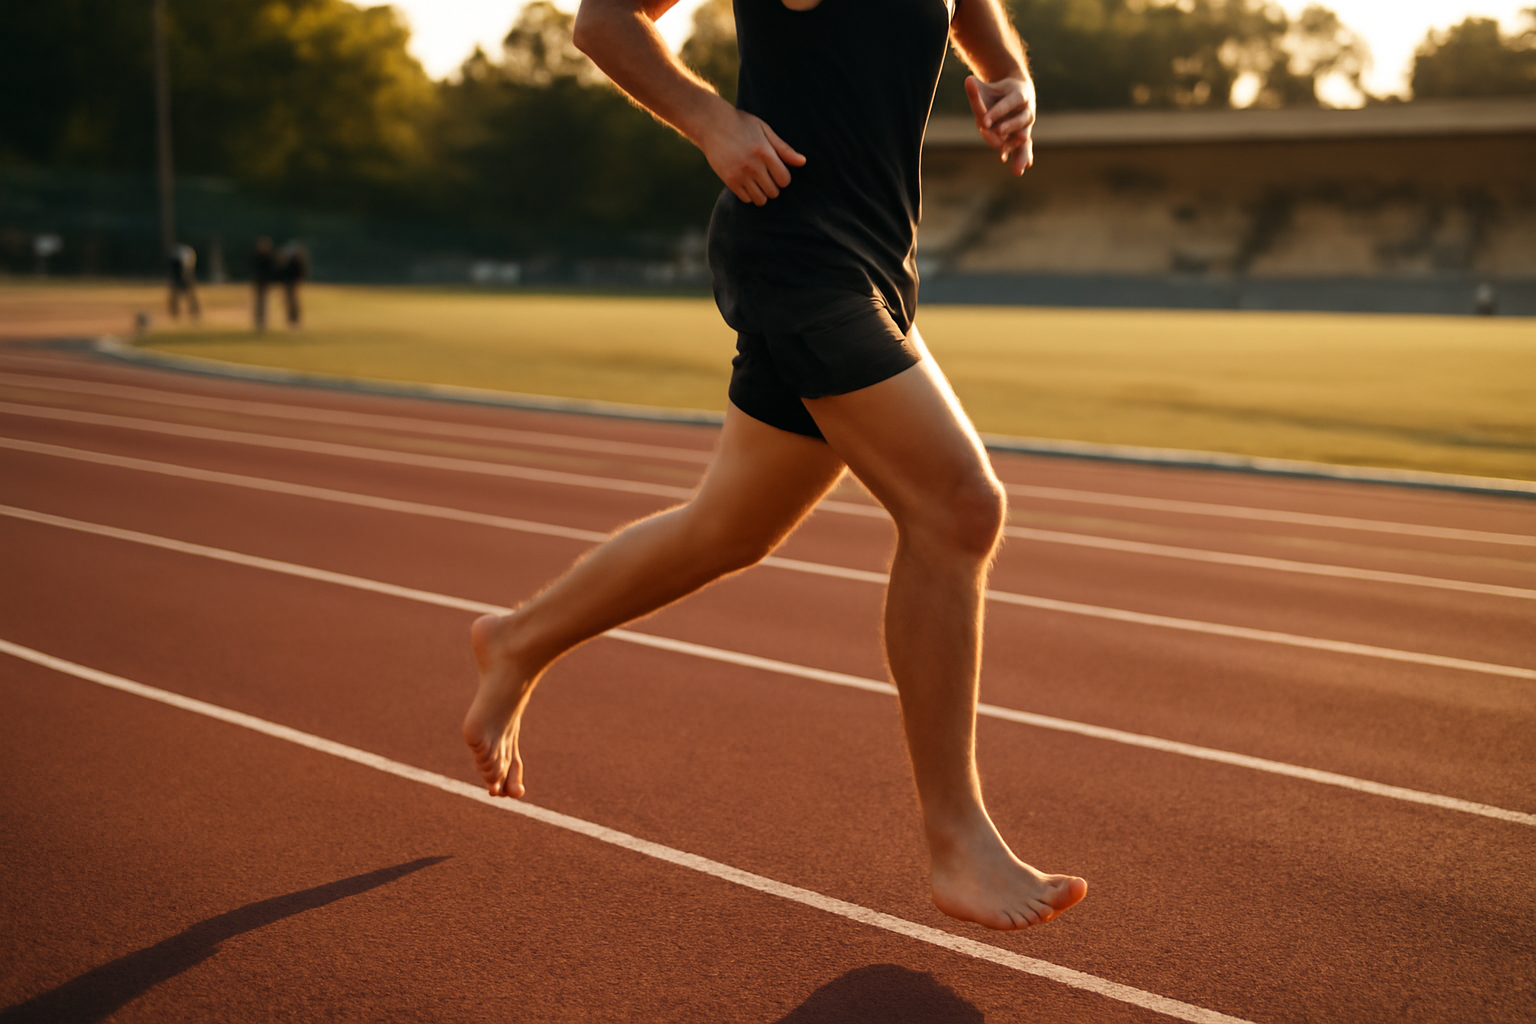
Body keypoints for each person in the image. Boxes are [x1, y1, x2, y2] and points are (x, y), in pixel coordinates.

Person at [463, 0, 1087, 932]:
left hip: (876, 260)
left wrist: (1013, 82)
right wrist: (713, 121)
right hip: (795, 253)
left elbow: (979, 23)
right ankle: (956, 839)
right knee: (959, 507)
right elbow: (603, 21)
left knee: (729, 528)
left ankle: (516, 639)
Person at [276, 240, 310, 328]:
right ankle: (291, 320)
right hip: (288, 283)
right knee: (289, 302)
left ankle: (294, 320)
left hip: (292, 283)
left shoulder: (294, 261)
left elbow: (299, 272)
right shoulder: (289, 261)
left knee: (293, 302)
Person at [166, 243, 200, 321]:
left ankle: (177, 312)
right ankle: (192, 312)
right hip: (184, 275)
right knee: (188, 295)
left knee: (181, 295)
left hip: (181, 275)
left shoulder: (177, 254)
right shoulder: (187, 253)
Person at [252, 237, 278, 331]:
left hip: (265, 282)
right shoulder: (258, 256)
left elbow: (271, 269)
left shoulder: (268, 257)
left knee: (263, 301)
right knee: (259, 301)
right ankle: (259, 320)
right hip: (259, 281)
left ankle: (262, 320)